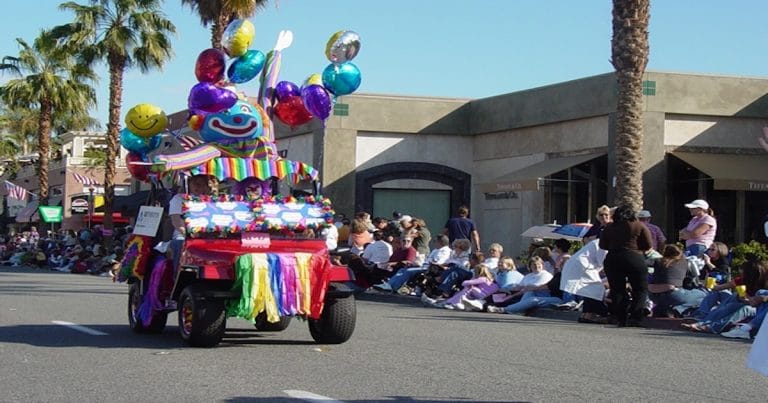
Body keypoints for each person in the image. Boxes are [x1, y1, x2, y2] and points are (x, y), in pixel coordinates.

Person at [599, 205, 654, 327]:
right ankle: (635, 317)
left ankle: (620, 317)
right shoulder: (639, 226)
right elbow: (648, 244)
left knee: (617, 289)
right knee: (639, 289)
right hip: (634, 257)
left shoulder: (609, 227)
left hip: (613, 258)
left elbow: (602, 245)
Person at [168, 174, 214, 270]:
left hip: (206, 235)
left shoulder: (210, 201)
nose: (198, 186)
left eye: (201, 184)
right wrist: (190, 234)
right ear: (188, 184)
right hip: (183, 235)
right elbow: (176, 221)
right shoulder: (178, 198)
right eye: (195, 183)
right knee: (180, 244)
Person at [486, 256, 560, 314]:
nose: (536, 266)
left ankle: (503, 309)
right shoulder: (529, 276)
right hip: (527, 294)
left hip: (546, 296)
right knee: (506, 293)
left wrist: (513, 294)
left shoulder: (545, 275)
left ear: (542, 265)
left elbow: (532, 288)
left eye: (538, 264)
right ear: (530, 266)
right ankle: (485, 302)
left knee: (531, 299)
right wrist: (507, 289)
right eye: (534, 265)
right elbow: (520, 287)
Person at [648, 244, 707, 317]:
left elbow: (643, 263)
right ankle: (677, 310)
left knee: (667, 298)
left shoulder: (657, 260)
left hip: (654, 294)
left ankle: (661, 309)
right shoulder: (685, 262)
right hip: (673, 293)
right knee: (703, 295)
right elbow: (694, 280)